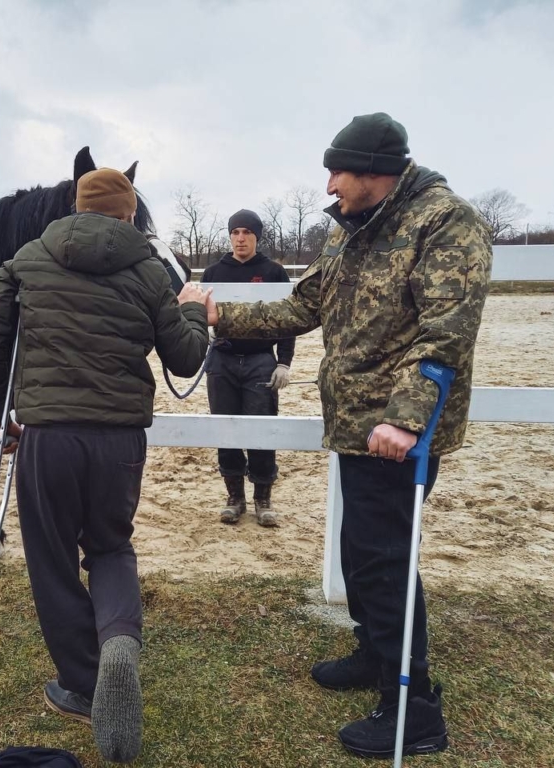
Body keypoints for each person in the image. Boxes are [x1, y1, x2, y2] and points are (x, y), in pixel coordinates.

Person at [204, 113, 492, 758]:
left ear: (372, 171)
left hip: (397, 431)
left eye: (337, 170)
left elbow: (446, 331)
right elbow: (307, 306)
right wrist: (227, 319)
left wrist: (407, 416)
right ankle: (374, 652)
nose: (328, 183)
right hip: (357, 425)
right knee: (361, 548)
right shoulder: (351, 231)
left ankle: (412, 706)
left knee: (384, 558)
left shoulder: (445, 222)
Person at [0, 167, 211, 763]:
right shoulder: (151, 271)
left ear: (76, 209)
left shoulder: (27, 258)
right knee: (110, 547)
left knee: (51, 558)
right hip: (120, 441)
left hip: (48, 437)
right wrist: (198, 313)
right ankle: (120, 643)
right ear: (129, 216)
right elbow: (184, 360)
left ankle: (83, 680)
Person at [201, 209, 295, 527]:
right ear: (230, 236)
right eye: (235, 232)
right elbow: (199, 317)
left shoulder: (273, 272)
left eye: (247, 233)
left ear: (256, 236)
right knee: (225, 429)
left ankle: (263, 498)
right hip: (223, 358)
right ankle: (234, 497)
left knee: (261, 428)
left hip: (259, 360)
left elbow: (287, 321)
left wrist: (283, 361)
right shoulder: (214, 272)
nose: (240, 238)